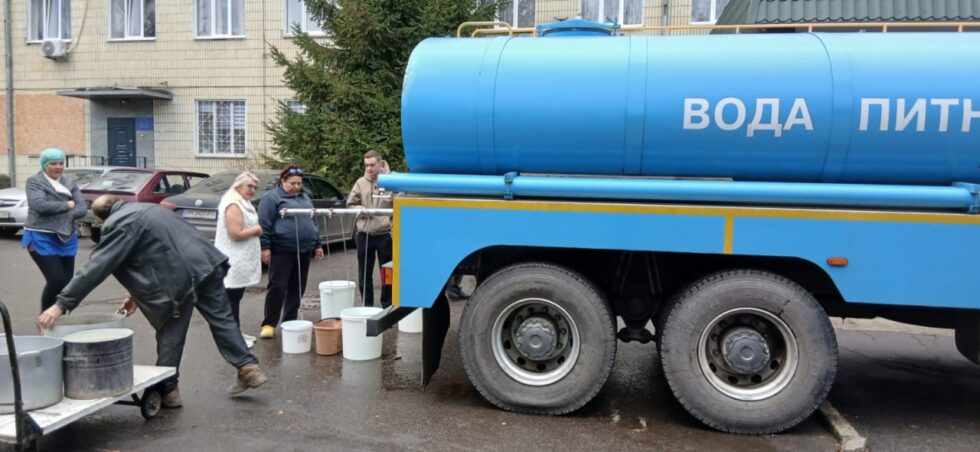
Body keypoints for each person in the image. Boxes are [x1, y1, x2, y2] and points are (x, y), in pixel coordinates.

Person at [36, 195, 268, 408]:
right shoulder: (150, 208)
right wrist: (133, 296)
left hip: (178, 279)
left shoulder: (119, 223)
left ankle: (168, 390)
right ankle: (248, 368)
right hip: (207, 264)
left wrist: (60, 305)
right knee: (223, 320)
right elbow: (156, 250)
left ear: (100, 218)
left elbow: (96, 267)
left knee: (171, 333)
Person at [257, 164, 324, 339]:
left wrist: (317, 244)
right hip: (282, 250)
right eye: (292, 183)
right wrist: (265, 248)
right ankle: (269, 324)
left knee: (297, 287)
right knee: (277, 287)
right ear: (283, 181)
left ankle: (289, 321)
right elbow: (264, 224)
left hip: (304, 250)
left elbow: (313, 222)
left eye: (299, 184)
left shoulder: (305, 198)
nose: (296, 187)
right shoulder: (271, 198)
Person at [23, 148, 88, 311]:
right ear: (44, 165)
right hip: (41, 236)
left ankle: (59, 317)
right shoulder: (35, 181)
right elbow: (39, 205)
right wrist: (67, 205)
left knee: (66, 284)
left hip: (67, 237)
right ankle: (45, 316)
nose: (58, 167)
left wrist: (61, 212)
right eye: (53, 164)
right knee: (56, 280)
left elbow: (82, 208)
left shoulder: (69, 183)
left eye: (61, 163)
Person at [214, 172, 263, 347]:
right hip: (232, 261)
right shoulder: (233, 203)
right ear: (238, 186)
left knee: (235, 299)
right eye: (249, 186)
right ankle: (232, 339)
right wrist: (256, 230)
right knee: (230, 301)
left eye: (255, 187)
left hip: (241, 260)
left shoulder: (243, 201)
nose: (252, 190)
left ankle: (236, 333)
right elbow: (236, 234)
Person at [347, 150, 394, 308]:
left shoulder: (392, 182)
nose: (369, 168)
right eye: (366, 165)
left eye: (372, 165)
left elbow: (400, 205)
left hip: (385, 235)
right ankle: (366, 307)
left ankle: (387, 306)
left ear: (380, 163)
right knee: (364, 274)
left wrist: (393, 228)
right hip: (364, 235)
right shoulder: (360, 182)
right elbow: (350, 204)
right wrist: (361, 209)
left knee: (388, 274)